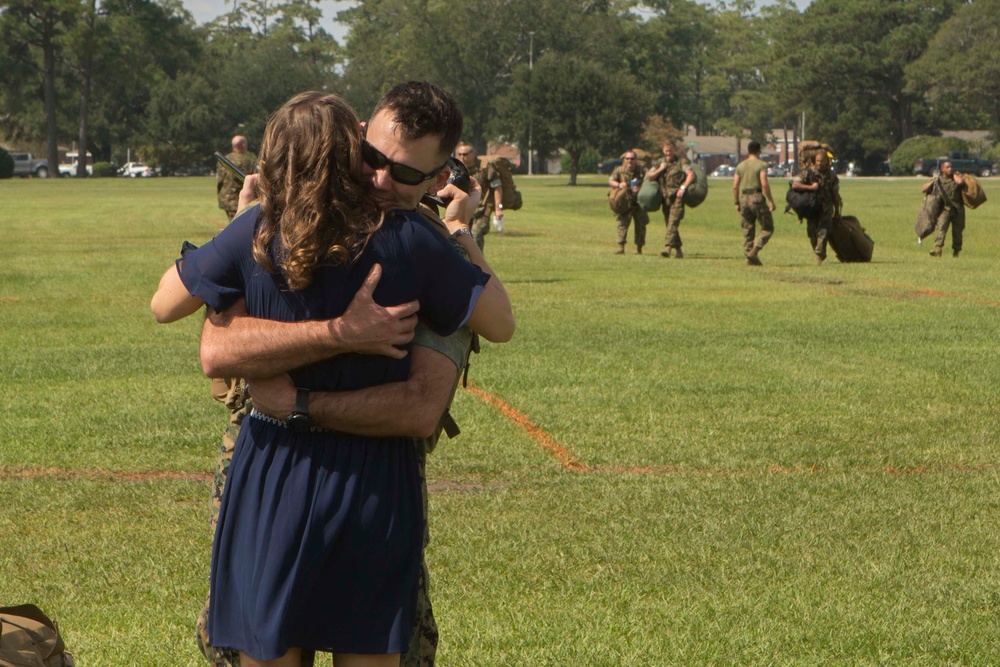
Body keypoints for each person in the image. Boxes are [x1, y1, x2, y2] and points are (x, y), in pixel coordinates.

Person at [152, 90, 513, 667]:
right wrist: (456, 232)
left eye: (401, 172)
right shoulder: (415, 242)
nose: (378, 179)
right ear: (355, 138)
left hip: (274, 463)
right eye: (372, 158)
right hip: (368, 477)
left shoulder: (261, 233)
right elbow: (499, 320)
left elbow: (169, 305)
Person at [790, 149, 841, 265]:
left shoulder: (831, 175)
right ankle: (820, 253)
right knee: (812, 233)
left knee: (823, 231)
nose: (819, 164)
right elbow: (795, 184)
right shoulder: (808, 172)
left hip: (826, 208)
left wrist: (837, 211)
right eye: (817, 161)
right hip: (812, 207)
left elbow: (836, 194)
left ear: (827, 162)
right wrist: (810, 188)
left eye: (822, 161)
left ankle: (819, 254)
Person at [646, 140, 694, 258]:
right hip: (665, 198)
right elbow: (650, 176)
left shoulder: (681, 162)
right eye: (666, 151)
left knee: (673, 222)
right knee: (669, 224)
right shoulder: (660, 162)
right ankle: (679, 251)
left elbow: (691, 175)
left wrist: (683, 187)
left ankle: (668, 248)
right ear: (663, 151)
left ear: (674, 151)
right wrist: (660, 170)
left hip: (677, 197)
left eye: (670, 151)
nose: (668, 153)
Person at [732, 140, 777, 266]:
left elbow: (735, 186)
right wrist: (771, 201)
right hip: (756, 197)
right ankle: (754, 251)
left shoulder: (740, 166)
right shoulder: (761, 165)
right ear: (759, 151)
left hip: (743, 198)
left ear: (748, 151)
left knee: (748, 228)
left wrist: (736, 202)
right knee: (768, 228)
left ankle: (748, 257)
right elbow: (764, 184)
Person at [455, 142, 502, 251]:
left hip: (482, 210)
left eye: (465, 154)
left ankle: (478, 265)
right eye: (460, 154)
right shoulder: (457, 169)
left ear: (473, 153)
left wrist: (498, 208)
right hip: (464, 210)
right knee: (461, 238)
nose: (462, 157)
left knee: (476, 235)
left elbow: (497, 187)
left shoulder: (485, 167)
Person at [921, 159, 966, 258]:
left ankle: (956, 252)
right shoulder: (938, 180)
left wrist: (954, 174)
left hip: (958, 209)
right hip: (944, 209)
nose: (950, 169)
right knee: (941, 228)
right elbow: (923, 189)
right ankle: (938, 249)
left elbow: (960, 182)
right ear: (942, 169)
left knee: (957, 231)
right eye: (947, 167)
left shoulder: (956, 177)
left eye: (951, 167)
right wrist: (933, 180)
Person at [608, 151, 649, 255]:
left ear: (636, 159)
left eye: (632, 158)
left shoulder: (642, 170)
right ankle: (621, 247)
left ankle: (639, 249)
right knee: (622, 224)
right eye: (627, 158)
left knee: (640, 225)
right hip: (625, 201)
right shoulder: (620, 170)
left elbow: (650, 179)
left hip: (639, 201)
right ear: (624, 160)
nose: (629, 161)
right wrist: (619, 184)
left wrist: (640, 187)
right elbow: (611, 180)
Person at [217, 136, 257, 221]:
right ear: (243, 144)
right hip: (242, 198)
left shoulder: (225, 159)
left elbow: (220, 180)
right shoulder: (249, 159)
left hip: (226, 198)